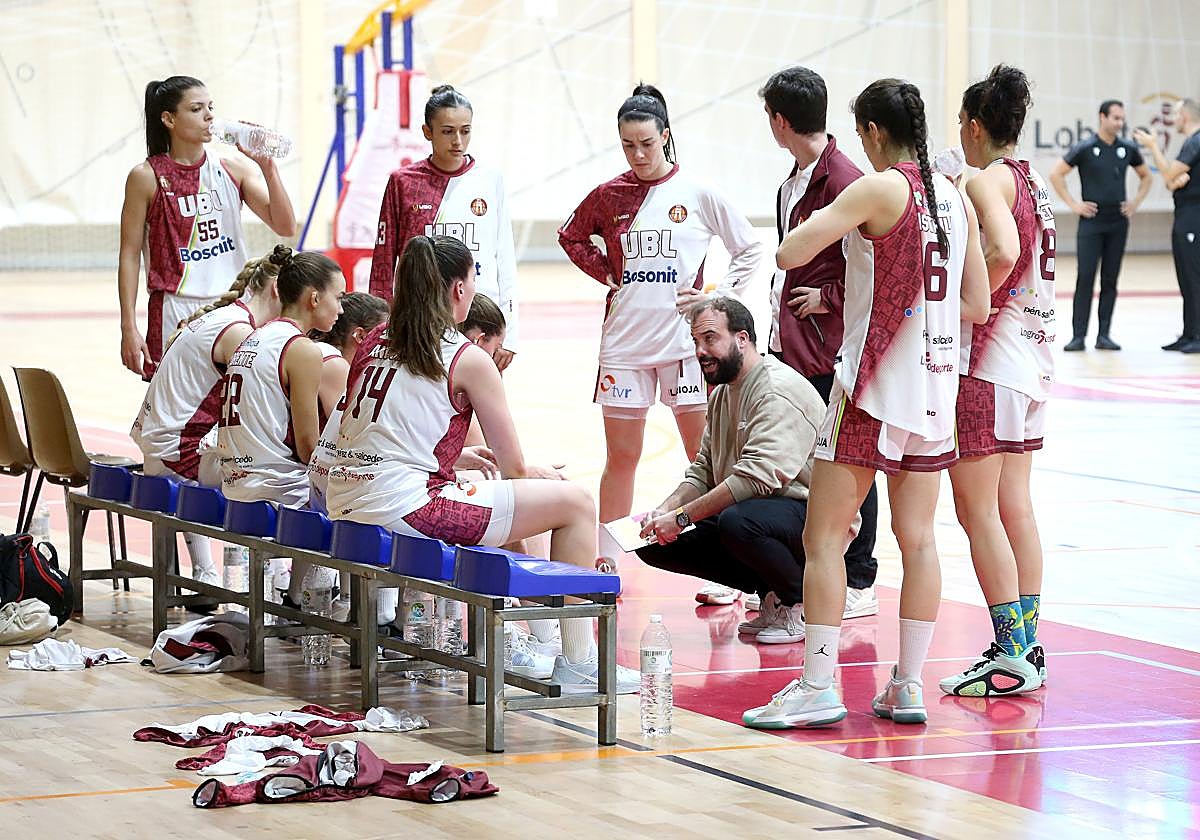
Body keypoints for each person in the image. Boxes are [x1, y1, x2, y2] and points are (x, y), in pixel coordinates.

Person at [742, 79, 989, 730]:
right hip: (937, 387)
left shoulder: (883, 187)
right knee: (920, 541)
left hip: (875, 386)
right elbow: (978, 306)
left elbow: (792, 251)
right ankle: (907, 686)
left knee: (823, 537)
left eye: (860, 135)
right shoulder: (954, 198)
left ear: (874, 133)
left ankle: (819, 685)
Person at [327, 235, 639, 693]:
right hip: (403, 507)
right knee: (573, 502)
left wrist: (459, 459)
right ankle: (578, 661)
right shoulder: (466, 357)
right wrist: (541, 474)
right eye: (473, 281)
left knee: (506, 496)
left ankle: (526, 637)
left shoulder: (377, 338)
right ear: (458, 289)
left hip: (346, 495)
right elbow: (513, 467)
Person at [558, 84, 763, 572]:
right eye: (628, 145)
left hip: (685, 347)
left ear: (665, 137)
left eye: (646, 144)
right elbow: (569, 235)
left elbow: (750, 248)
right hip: (625, 345)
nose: (638, 154)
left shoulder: (696, 192)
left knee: (707, 457)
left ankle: (726, 570)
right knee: (623, 457)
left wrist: (718, 295)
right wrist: (606, 270)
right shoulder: (609, 194)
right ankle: (605, 562)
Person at [736, 64, 878, 619]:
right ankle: (798, 572)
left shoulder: (844, 179)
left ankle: (861, 574)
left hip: (828, 348)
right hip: (790, 343)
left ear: (779, 120)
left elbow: (879, 258)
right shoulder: (793, 180)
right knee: (804, 458)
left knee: (850, 458)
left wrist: (831, 300)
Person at [938, 65, 1056, 697]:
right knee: (1015, 507)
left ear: (976, 127)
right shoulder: (1032, 178)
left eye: (961, 122)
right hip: (1033, 363)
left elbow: (1006, 251)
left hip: (989, 361)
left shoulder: (988, 179)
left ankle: (1012, 650)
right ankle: (1027, 646)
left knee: (976, 508)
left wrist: (962, 296)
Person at [636, 297, 831, 645]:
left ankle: (802, 601)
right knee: (653, 541)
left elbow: (755, 479)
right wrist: (666, 510)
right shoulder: (723, 393)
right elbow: (702, 471)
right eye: (696, 341)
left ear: (742, 339)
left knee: (739, 521)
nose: (700, 350)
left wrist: (682, 517)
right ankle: (771, 594)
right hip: (765, 513)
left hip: (814, 515)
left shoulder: (775, 389)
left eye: (710, 338)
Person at [119, 76, 297, 380]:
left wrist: (268, 169)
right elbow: (129, 254)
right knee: (175, 409)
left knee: (232, 406)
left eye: (211, 107)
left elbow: (285, 226)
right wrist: (128, 326)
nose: (209, 115)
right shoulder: (146, 176)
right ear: (169, 119)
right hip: (176, 307)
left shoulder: (233, 168)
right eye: (197, 108)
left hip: (233, 304)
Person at [130, 249, 285, 585]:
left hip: (158, 445)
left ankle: (207, 570)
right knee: (288, 478)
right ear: (277, 290)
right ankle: (283, 584)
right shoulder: (240, 332)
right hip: (176, 453)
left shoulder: (224, 317)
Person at [369, 85, 519, 370]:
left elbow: (505, 258)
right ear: (428, 132)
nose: (458, 141)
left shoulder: (490, 179)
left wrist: (510, 332)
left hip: (479, 317)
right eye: (448, 131)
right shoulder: (403, 182)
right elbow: (384, 261)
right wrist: (381, 324)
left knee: (477, 405)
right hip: (421, 318)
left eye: (465, 131)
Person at [216, 249, 345, 508]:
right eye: (339, 297)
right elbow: (309, 449)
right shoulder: (302, 349)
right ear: (315, 298)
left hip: (235, 484)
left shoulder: (255, 336)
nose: (341, 309)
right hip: (278, 490)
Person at [1049, 99, 1152, 351]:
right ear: (1102, 117)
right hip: (1091, 222)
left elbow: (1146, 176)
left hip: (1117, 221)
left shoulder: (1127, 148)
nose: (1119, 123)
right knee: (1085, 277)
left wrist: (1135, 203)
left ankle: (1104, 335)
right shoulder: (1085, 147)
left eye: (1121, 118)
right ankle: (1078, 336)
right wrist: (1074, 205)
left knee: (1110, 278)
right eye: (1115, 118)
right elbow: (1056, 174)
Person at [1134, 99, 1200, 353]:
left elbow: (1170, 174)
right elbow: (1172, 181)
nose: (1173, 120)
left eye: (1175, 115)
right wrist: (1173, 178)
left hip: (1194, 217)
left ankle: (1197, 335)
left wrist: (1152, 146)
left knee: (1193, 276)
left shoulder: (1195, 141)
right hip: (1185, 214)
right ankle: (1189, 333)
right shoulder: (1191, 143)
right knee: (1185, 276)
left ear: (1184, 116)